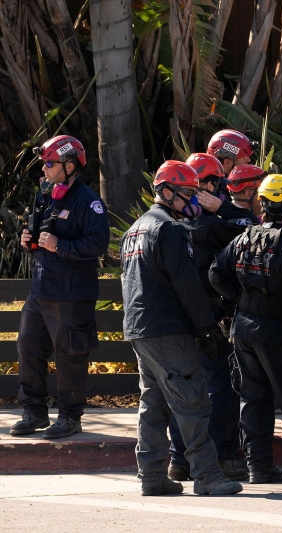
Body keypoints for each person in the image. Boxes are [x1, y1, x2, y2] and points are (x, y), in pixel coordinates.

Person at [121, 160, 242, 496]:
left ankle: (152, 476)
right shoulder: (171, 230)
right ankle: (207, 476)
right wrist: (206, 327)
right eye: (188, 193)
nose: (194, 199)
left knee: (154, 403)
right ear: (166, 192)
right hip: (169, 329)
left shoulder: (134, 229)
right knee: (193, 403)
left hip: (140, 328)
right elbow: (185, 282)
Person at [209, 174, 282, 484]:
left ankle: (259, 466)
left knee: (253, 399)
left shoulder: (243, 237)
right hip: (277, 331)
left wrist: (241, 298)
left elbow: (216, 274)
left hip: (244, 330)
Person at [166, 153, 258, 483]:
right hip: (213, 316)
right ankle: (225, 454)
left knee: (182, 389)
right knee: (220, 387)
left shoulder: (171, 225)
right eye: (216, 184)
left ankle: (179, 458)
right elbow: (255, 231)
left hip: (178, 318)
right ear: (206, 186)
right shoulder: (219, 226)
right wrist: (225, 209)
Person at [12, 135, 110, 440]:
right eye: (45, 162)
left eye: (50, 163)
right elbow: (42, 232)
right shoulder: (46, 194)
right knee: (28, 346)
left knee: (70, 354)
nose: (45, 168)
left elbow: (98, 244)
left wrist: (60, 245)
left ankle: (70, 416)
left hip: (71, 293)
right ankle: (34, 412)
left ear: (70, 165)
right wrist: (29, 241)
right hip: (41, 289)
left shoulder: (88, 201)